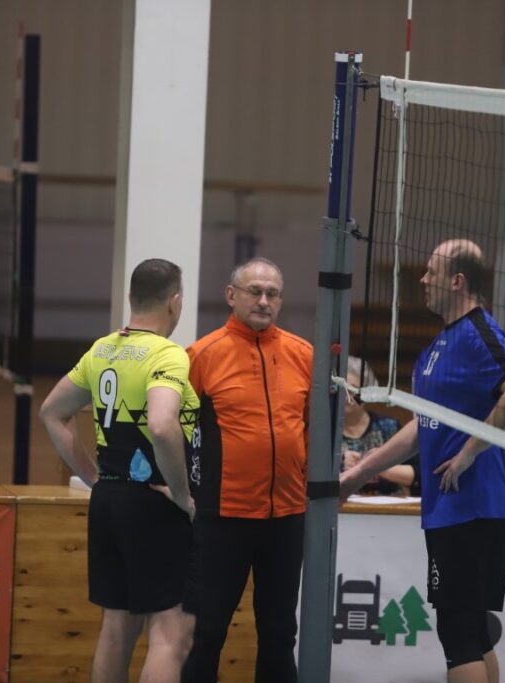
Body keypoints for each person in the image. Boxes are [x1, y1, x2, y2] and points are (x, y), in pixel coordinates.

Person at [340, 239, 505, 683]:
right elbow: (421, 427)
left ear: (457, 281)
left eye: (432, 271)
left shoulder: (478, 332)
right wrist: (359, 474)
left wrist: (468, 452)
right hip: (450, 508)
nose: (424, 279)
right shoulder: (438, 346)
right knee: (473, 632)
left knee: (459, 633)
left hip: (472, 505)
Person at [40, 258, 198, 683]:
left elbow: (51, 412)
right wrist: (181, 493)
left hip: (109, 500)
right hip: (153, 503)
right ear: (175, 301)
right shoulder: (167, 354)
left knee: (117, 629)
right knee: (171, 634)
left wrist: (95, 477)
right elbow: (162, 424)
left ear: (132, 297)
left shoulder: (103, 349)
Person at [181, 257, 313, 683]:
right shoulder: (202, 355)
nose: (263, 301)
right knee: (207, 632)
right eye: (254, 291)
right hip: (222, 518)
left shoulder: (303, 354)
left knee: (280, 633)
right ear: (231, 295)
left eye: (272, 294)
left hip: (286, 518)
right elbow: (178, 433)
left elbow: (312, 429)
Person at [341, 356, 415, 496]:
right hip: (341, 505)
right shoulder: (325, 429)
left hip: (388, 507)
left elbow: (418, 475)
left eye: (352, 390)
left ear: (367, 392)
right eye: (341, 390)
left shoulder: (389, 426)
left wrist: (377, 465)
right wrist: (340, 464)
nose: (345, 396)